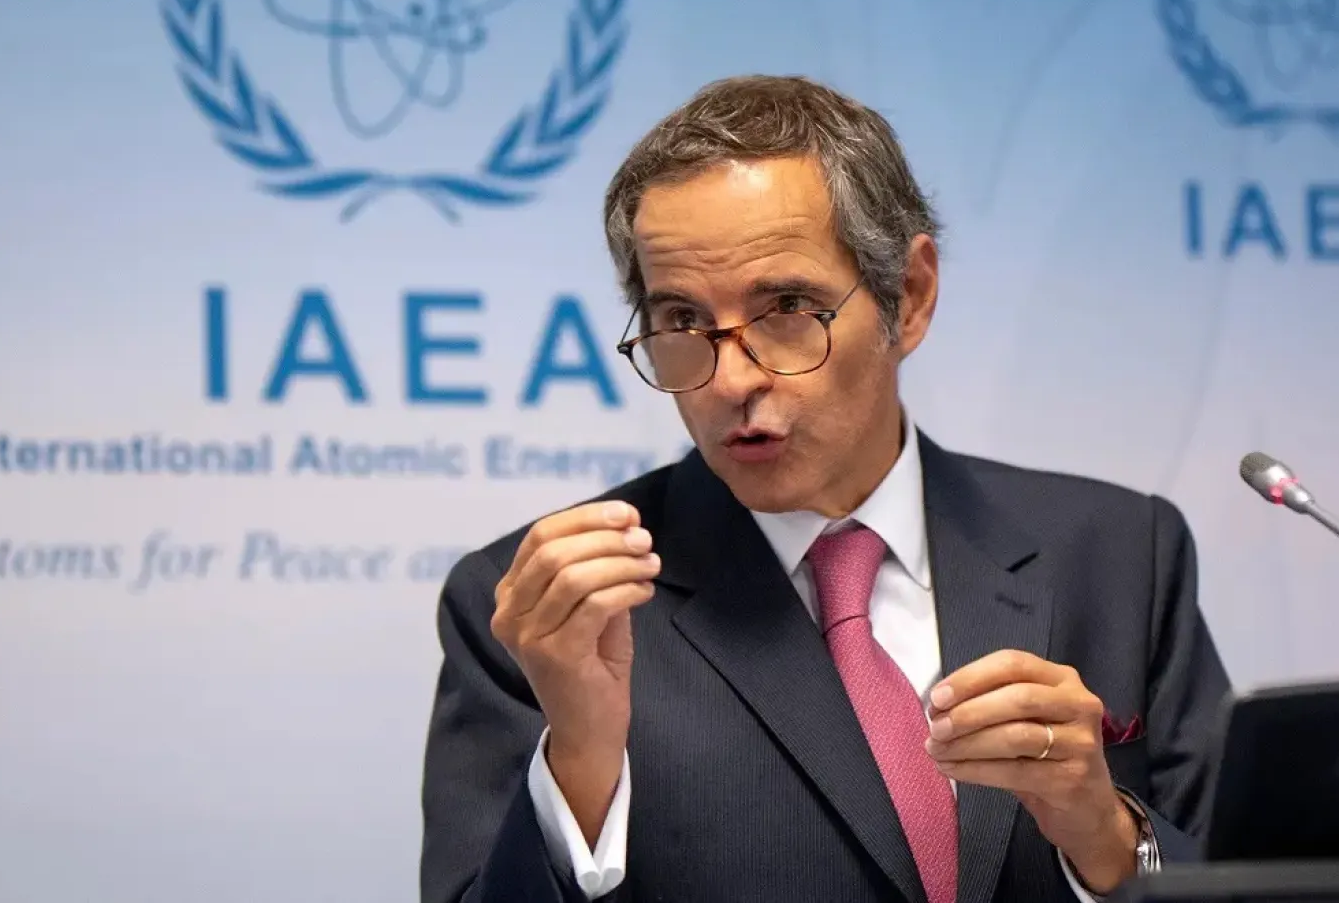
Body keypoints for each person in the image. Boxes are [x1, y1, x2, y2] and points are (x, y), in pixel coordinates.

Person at [419, 75, 1232, 903]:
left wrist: (1104, 831)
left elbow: (1249, 878)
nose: (729, 378)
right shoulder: (545, 612)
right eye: (681, 323)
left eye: (786, 306)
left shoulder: (1121, 553)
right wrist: (581, 768)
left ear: (908, 297)